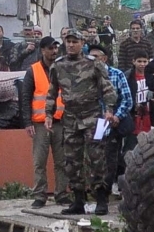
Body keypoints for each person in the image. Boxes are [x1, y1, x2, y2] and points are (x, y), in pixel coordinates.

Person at [46, 30, 119, 215]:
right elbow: (52, 92)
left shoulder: (94, 64)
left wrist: (109, 110)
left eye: (75, 41)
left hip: (93, 116)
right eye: (68, 41)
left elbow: (107, 89)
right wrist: (48, 114)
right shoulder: (58, 66)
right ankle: (78, 200)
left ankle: (101, 199)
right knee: (71, 160)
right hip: (70, 117)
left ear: (82, 42)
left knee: (97, 157)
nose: (71, 44)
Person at [19, 37, 63, 208]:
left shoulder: (62, 68)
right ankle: (40, 195)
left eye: (56, 48)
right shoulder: (33, 71)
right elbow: (25, 97)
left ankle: (61, 194)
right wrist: (27, 122)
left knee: (62, 161)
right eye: (51, 48)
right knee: (39, 161)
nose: (54, 51)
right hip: (39, 123)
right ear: (43, 50)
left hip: (60, 121)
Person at [89, 43, 133, 203]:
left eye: (95, 57)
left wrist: (117, 116)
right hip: (93, 124)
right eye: (90, 56)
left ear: (104, 58)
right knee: (93, 157)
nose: (92, 60)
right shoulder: (86, 77)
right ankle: (93, 191)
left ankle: (106, 193)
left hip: (112, 124)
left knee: (111, 159)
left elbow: (127, 100)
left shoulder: (116, 74)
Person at [129, 53, 154, 134]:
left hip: (149, 113)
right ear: (134, 62)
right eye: (139, 61)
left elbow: (153, 92)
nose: (142, 64)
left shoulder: (151, 77)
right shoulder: (129, 77)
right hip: (135, 114)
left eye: (145, 61)